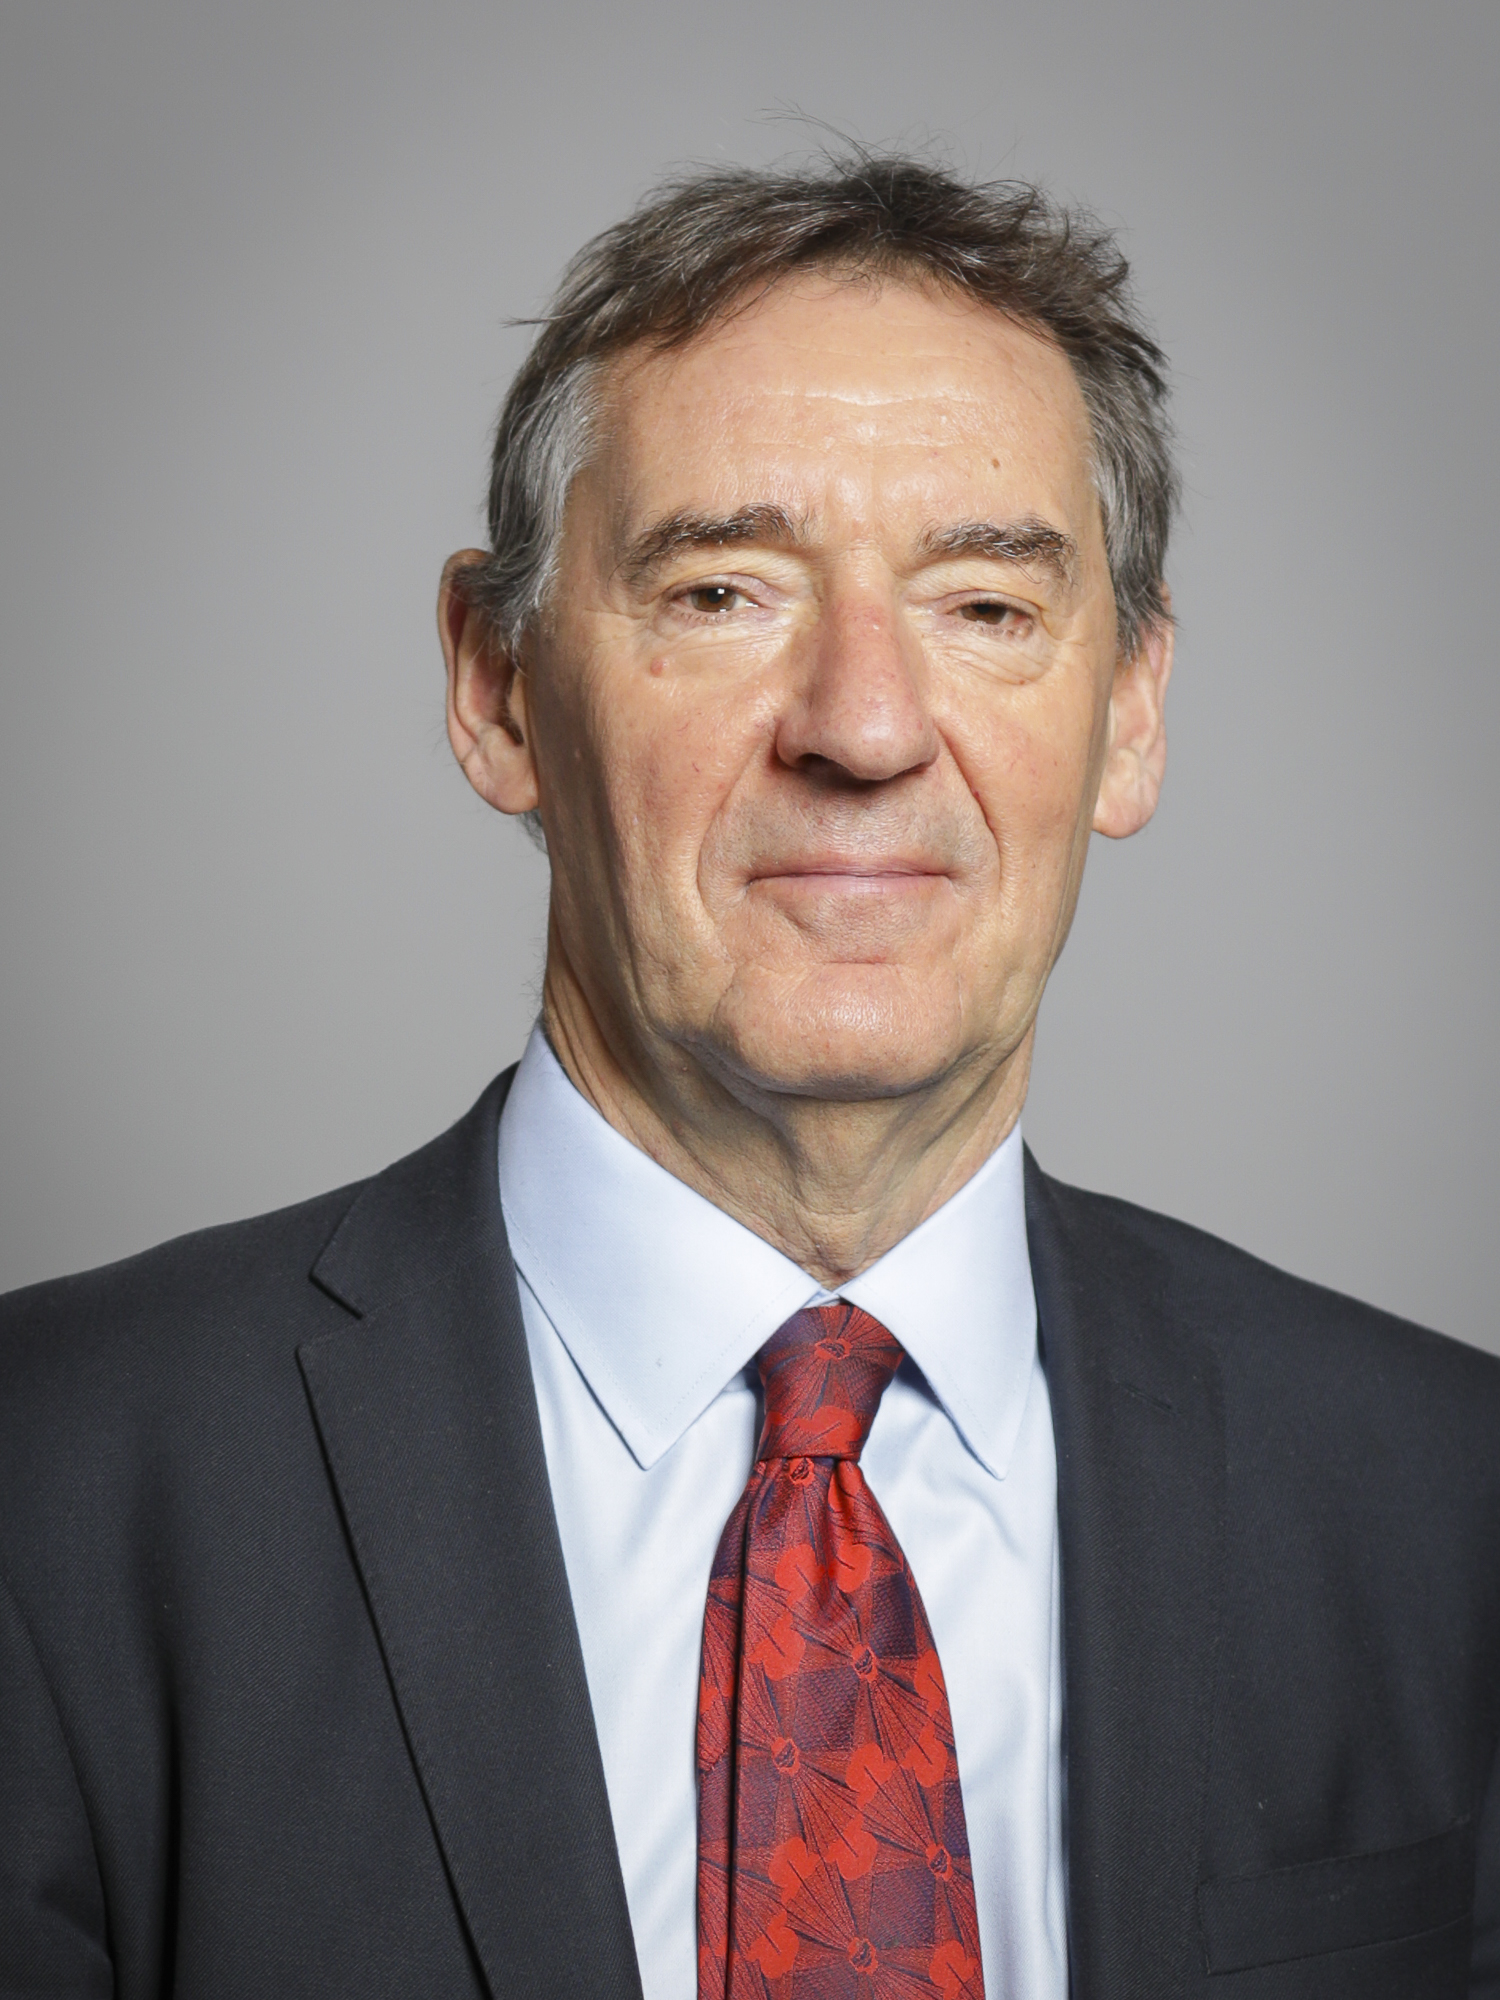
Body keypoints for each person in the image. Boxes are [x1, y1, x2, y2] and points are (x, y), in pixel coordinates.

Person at [1, 155, 1496, 2000]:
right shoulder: (47, 1485)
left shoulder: (1449, 1503)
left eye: (986, 607)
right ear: (495, 685)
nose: (864, 725)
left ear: (1130, 711)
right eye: (722, 591)